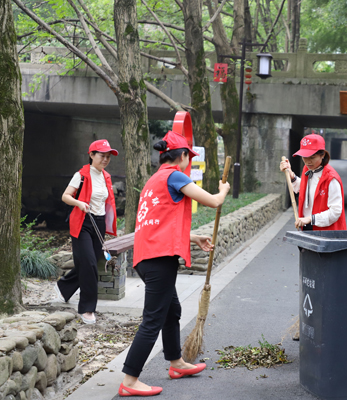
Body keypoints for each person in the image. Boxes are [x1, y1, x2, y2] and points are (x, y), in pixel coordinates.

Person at [118, 131, 230, 397]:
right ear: (182, 156)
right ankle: (130, 380)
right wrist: (223, 189)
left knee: (172, 310)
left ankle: (176, 363)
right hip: (158, 259)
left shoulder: (154, 180)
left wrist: (192, 237)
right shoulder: (175, 175)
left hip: (147, 257)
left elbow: (159, 222)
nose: (187, 161)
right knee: (153, 319)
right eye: (187, 157)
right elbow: (213, 201)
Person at [55, 140, 119, 325]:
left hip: (97, 222)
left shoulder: (106, 176)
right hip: (83, 221)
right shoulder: (81, 175)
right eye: (102, 155)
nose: (105, 159)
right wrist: (79, 203)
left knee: (88, 262)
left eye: (108, 156)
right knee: (90, 263)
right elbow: (65, 196)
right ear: (91, 155)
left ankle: (64, 286)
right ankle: (87, 308)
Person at [279, 133, 346, 231]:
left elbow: (335, 212)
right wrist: (290, 174)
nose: (307, 161)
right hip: (307, 226)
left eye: (312, 157)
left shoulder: (331, 178)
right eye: (304, 157)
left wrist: (310, 219)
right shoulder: (307, 169)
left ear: (322, 155)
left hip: (326, 232)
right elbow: (304, 189)